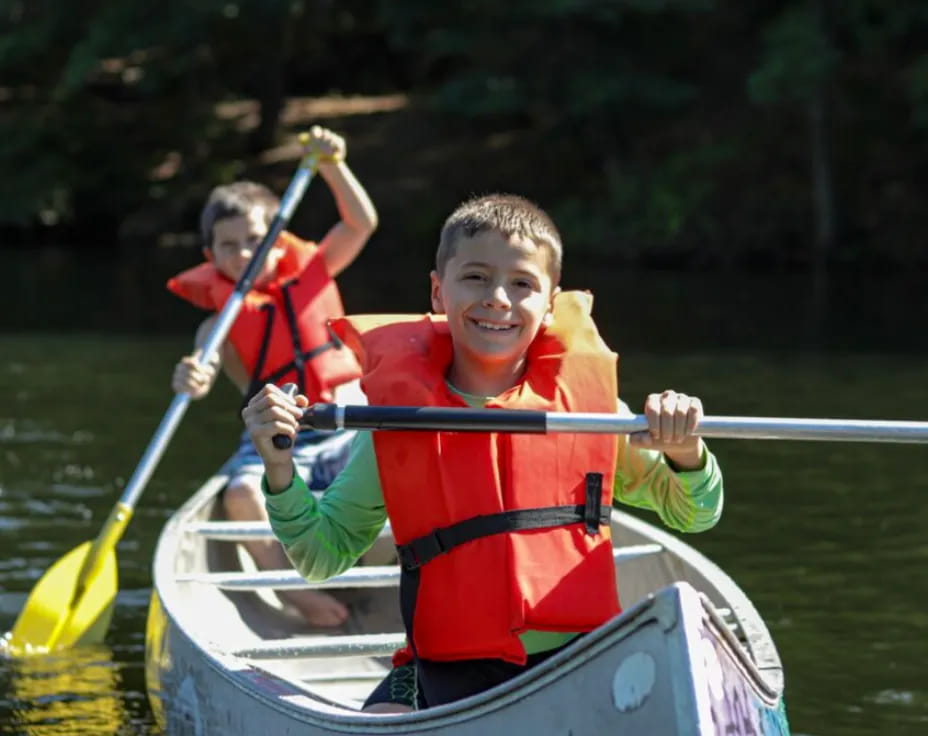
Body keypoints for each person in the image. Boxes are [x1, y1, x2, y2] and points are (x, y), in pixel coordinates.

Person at [241, 193, 724, 710]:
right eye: (475, 277)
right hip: (446, 669)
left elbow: (694, 513)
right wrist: (279, 470)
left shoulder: (593, 411)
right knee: (383, 719)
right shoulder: (393, 423)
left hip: (581, 658)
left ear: (549, 304)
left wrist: (687, 452)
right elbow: (321, 555)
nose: (498, 298)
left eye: (522, 284)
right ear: (437, 291)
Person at [168, 126, 378, 628]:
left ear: (278, 242)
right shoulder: (216, 324)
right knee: (239, 495)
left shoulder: (314, 268)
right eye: (229, 246)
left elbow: (361, 221)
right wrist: (190, 376)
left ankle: (376, 573)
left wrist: (332, 164)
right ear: (210, 257)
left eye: (255, 242)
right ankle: (291, 588)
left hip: (344, 425)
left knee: (399, 468)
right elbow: (201, 368)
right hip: (282, 437)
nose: (243, 255)